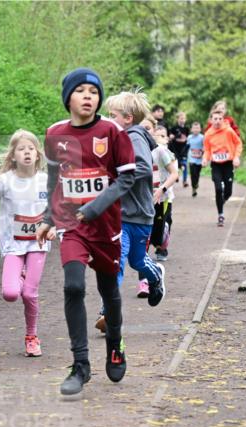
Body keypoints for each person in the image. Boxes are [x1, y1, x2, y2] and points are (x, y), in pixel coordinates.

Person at [33, 68, 138, 396]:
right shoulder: (54, 134)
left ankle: (115, 342)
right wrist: (48, 217)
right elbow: (55, 182)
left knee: (109, 291)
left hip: (105, 225)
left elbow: (127, 178)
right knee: (74, 287)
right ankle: (80, 366)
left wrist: (94, 207)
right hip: (71, 224)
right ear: (68, 98)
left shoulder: (112, 132)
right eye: (80, 91)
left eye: (93, 92)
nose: (88, 97)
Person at [93, 91, 165, 334]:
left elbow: (143, 168)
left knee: (137, 260)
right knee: (117, 262)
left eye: (112, 116)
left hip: (140, 214)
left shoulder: (133, 138)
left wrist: (118, 173)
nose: (108, 119)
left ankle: (155, 275)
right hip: (120, 216)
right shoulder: (118, 137)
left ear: (127, 118)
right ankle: (107, 312)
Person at [0, 130, 50, 357]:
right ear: (13, 155)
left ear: (38, 153)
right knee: (11, 293)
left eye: (31, 148)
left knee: (30, 295)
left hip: (37, 243)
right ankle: (20, 276)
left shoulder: (45, 180)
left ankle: (31, 337)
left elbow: (56, 207)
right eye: (21, 149)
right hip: (12, 243)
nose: (27, 153)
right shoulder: (5, 181)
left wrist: (52, 229)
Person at [202, 109, 243, 227]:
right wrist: (205, 158)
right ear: (211, 120)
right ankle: (220, 215)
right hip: (216, 165)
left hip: (228, 164)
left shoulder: (228, 131)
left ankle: (222, 201)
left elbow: (238, 143)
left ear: (223, 119)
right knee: (218, 189)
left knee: (228, 192)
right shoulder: (208, 134)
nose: (218, 121)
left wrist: (236, 157)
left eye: (220, 119)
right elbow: (207, 150)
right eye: (215, 119)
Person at [150, 124, 180, 261]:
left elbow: (174, 173)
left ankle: (162, 246)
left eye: (163, 136)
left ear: (167, 138)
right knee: (150, 225)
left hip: (165, 195)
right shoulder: (142, 149)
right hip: (148, 195)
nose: (160, 138)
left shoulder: (165, 152)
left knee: (161, 226)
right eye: (158, 134)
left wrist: (163, 188)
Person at [168, 111, 189, 188]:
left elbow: (188, 139)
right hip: (175, 150)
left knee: (184, 165)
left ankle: (185, 181)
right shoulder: (174, 128)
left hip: (183, 150)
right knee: (176, 165)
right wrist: (171, 136)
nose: (182, 120)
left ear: (185, 119)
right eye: (180, 118)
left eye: (183, 118)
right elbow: (170, 136)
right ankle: (176, 176)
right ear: (177, 119)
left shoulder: (187, 129)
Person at [186, 121, 205, 198]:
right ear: (191, 129)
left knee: (197, 174)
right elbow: (187, 147)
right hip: (191, 159)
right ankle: (194, 188)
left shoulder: (202, 137)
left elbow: (205, 146)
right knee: (192, 173)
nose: (196, 129)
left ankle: (195, 185)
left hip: (199, 159)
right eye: (194, 128)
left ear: (200, 129)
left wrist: (203, 150)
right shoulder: (189, 137)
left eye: (198, 128)